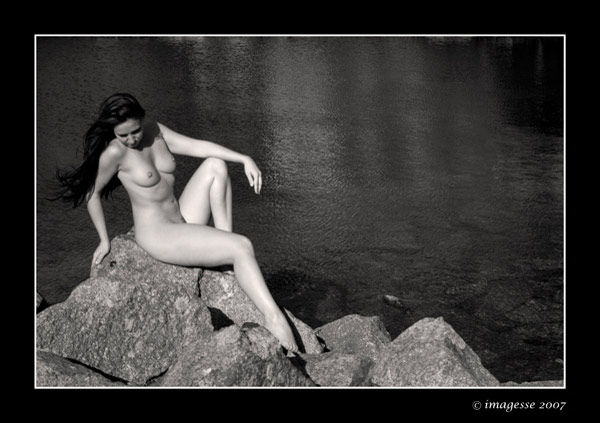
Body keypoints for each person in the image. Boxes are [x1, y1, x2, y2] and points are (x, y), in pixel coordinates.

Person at [54, 93, 298, 353]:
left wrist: (243, 158)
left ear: (142, 120)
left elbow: (198, 147)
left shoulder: (155, 131)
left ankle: (225, 257)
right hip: (158, 234)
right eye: (123, 135)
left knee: (215, 166)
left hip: (181, 217)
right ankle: (274, 318)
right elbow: (92, 193)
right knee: (242, 246)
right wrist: (103, 239)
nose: (131, 139)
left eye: (135, 131)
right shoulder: (115, 153)